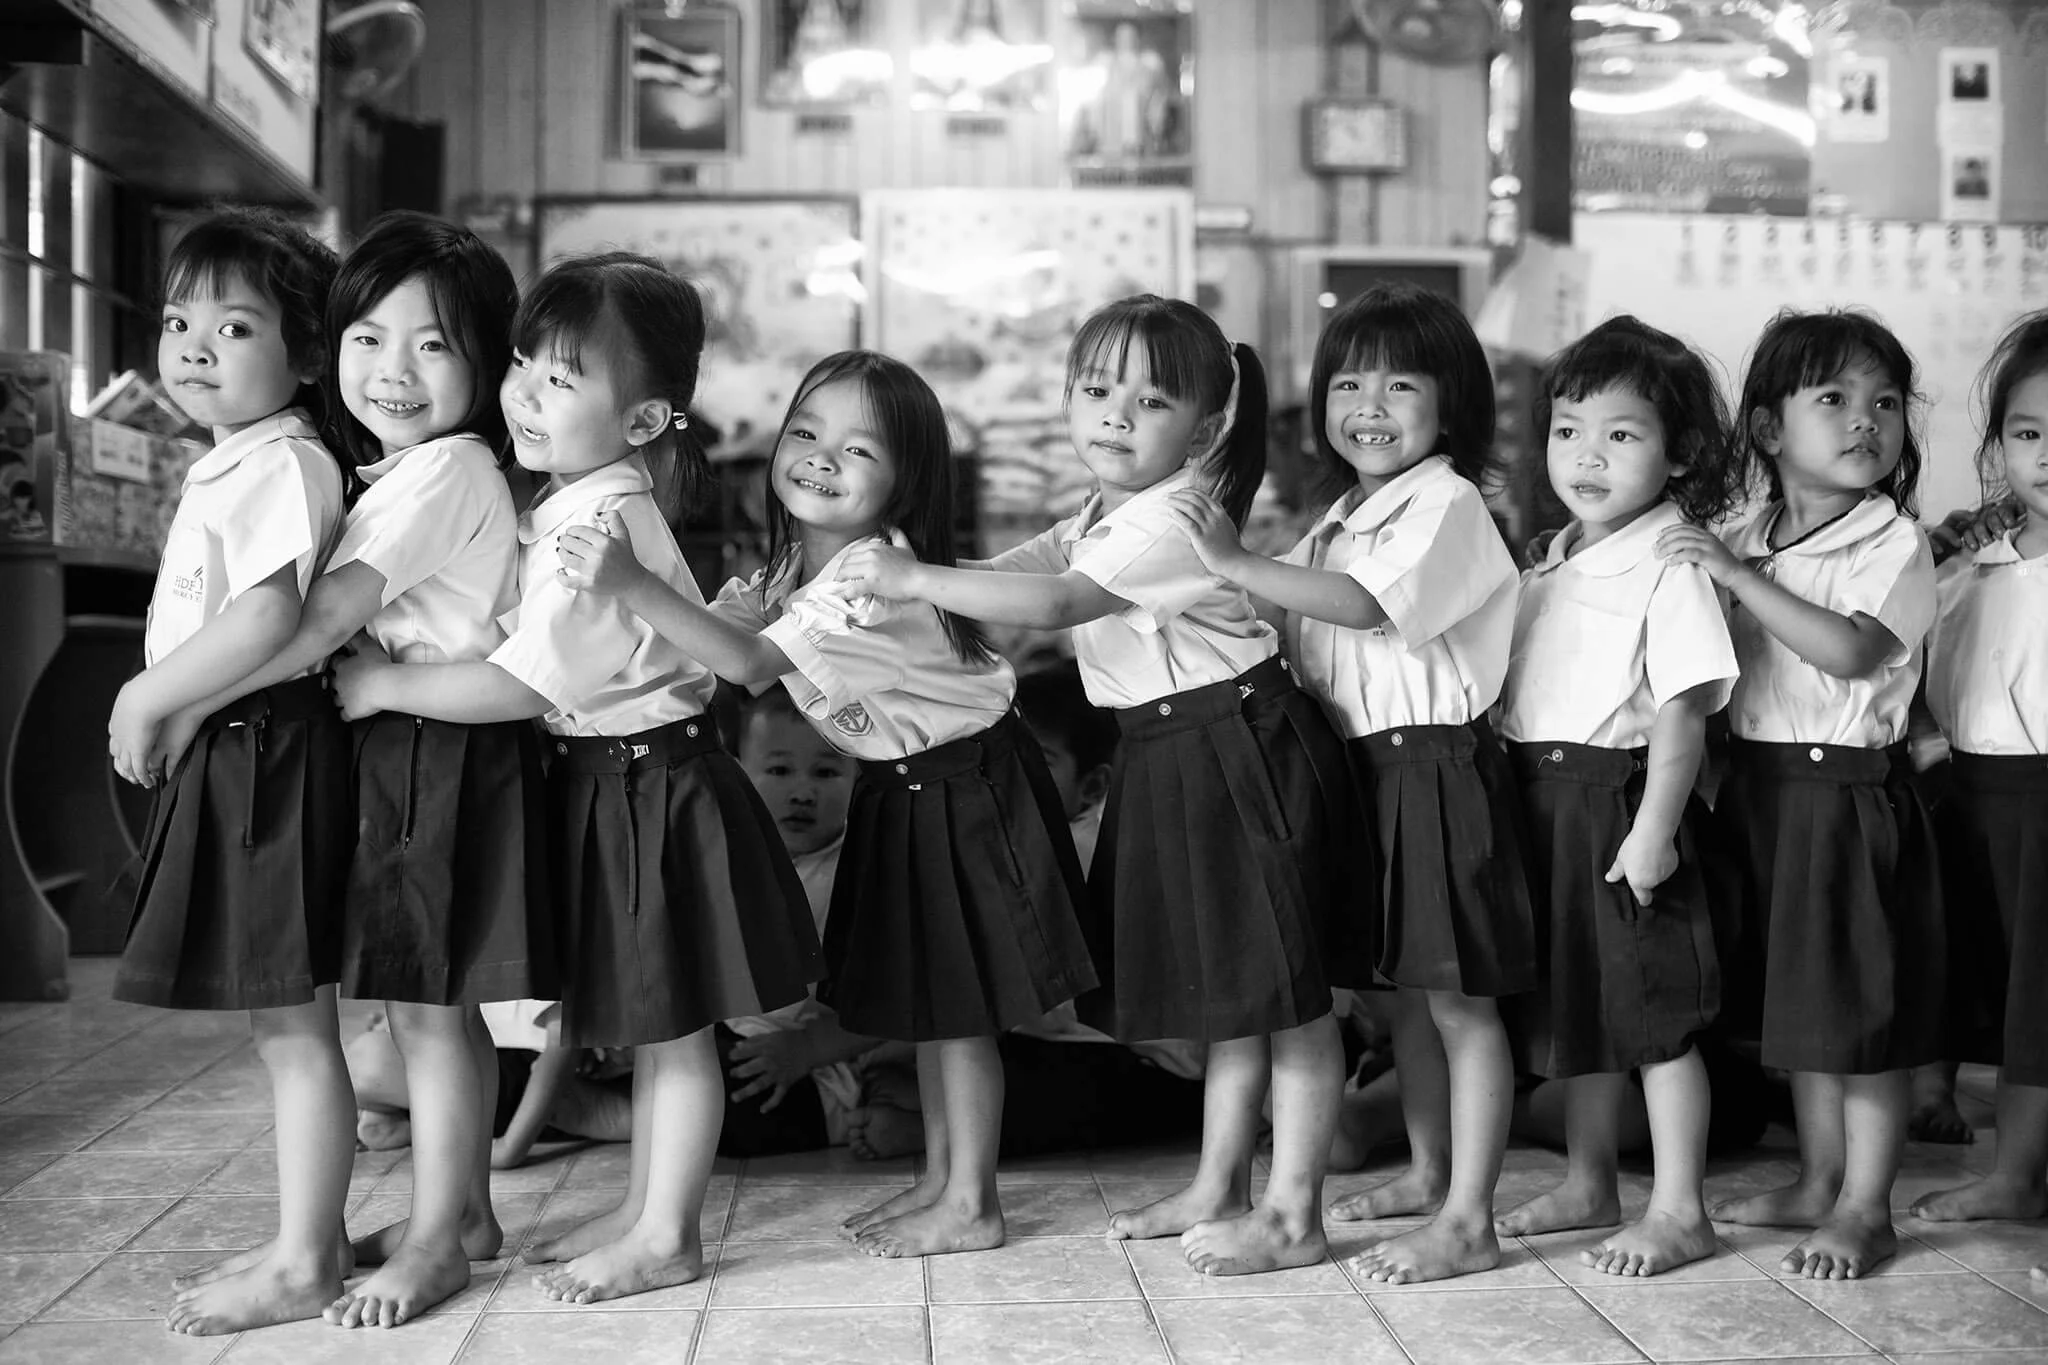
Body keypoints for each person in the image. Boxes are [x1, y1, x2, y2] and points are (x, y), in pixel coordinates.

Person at [328, 252, 822, 1302]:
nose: (523, 393)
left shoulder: (595, 527)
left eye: (562, 379)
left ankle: (667, 1235)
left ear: (642, 422)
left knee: (676, 1028)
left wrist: (380, 692)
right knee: (649, 1018)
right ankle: (647, 1208)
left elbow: (516, 685)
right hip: (619, 782)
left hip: (653, 788)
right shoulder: (572, 503)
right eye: (519, 364)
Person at [835, 297, 1357, 1277]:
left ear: (1200, 429)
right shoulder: (1103, 510)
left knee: (1289, 998)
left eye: (1148, 399)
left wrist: (916, 586)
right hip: (1176, 748)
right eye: (1095, 389)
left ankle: (1295, 1213)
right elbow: (1033, 566)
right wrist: (926, 584)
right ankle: (1216, 1185)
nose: (1114, 414)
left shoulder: (1171, 515)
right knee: (1239, 990)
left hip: (1236, 744)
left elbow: (1057, 600)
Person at [560, 349, 1096, 1260]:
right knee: (930, 1003)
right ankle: (941, 1182)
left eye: (857, 449)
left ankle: (971, 1201)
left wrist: (632, 584)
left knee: (960, 1011)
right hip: (901, 785)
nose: (820, 456)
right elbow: (728, 631)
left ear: (905, 481)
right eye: (806, 433)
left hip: (968, 785)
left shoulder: (862, 570)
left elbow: (750, 665)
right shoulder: (788, 567)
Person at [162, 211, 540, 1328]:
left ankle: (436, 1241)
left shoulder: (442, 473)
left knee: (428, 1011)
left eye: (432, 345)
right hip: (419, 749)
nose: (393, 369)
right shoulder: (409, 469)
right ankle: (461, 1214)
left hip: (442, 750)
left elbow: (315, 621)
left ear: (488, 362)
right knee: (432, 1008)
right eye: (370, 337)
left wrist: (173, 701)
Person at [1159, 283, 1532, 1287]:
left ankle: (1468, 1219)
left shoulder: (1448, 503)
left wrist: (1234, 560)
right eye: (1347, 381)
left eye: (1398, 382)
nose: (1368, 401)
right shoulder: (1336, 518)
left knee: (1458, 1004)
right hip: (1361, 769)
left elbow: (1366, 608)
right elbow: (1295, 622)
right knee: (1406, 998)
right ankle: (1428, 1171)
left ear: (1450, 407)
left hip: (1435, 768)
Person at [1656, 307, 1943, 1280]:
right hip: (1759, 797)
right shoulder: (1739, 533)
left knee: (1857, 1016)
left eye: (1885, 402)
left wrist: (1736, 577)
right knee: (1803, 1014)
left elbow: (1851, 652)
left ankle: (1866, 1207)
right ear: (1769, 429)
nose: (1865, 419)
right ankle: (1817, 1181)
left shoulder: (1891, 542)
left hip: (1845, 797)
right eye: (1834, 399)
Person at [102, 209, 347, 1337]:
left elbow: (265, 616)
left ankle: (305, 1260)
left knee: (294, 1026)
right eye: (178, 319)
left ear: (304, 354)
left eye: (233, 324)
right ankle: (314, 1233)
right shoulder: (237, 457)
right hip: (244, 745)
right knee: (280, 1025)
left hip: (270, 755)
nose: (194, 344)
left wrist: (148, 694)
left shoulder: (283, 458)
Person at [1494, 316, 1743, 1276]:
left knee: (1654, 1017)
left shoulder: (1671, 558)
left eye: (1622, 434)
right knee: (1583, 1009)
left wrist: (1653, 835)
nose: (1587, 455)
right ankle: (1590, 1180)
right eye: (1568, 430)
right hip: (1546, 795)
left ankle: (1682, 1208)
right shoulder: (1555, 556)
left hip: (1622, 802)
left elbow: (1682, 720)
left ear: (1679, 452)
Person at [1913, 311, 2048, 1226]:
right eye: (2030, 433)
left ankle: (2015, 1175)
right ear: (1999, 444)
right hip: (1976, 794)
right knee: (1995, 984)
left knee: (2040, 999)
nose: (2047, 454)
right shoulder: (1971, 568)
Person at [720, 686, 908, 1159]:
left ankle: (617, 1119)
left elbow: (892, 1005)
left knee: (737, 1107)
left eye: (826, 772)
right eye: (779, 770)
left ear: (858, 777)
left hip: (815, 1066)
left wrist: (804, 1050)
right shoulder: (727, 858)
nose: (802, 792)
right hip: (727, 1042)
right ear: (738, 773)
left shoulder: (861, 873)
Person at [347, 1001, 635, 1169]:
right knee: (366, 1061)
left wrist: (509, 1149)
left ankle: (433, 1126)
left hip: (526, 1062)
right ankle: (422, 1125)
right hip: (493, 1067)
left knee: (365, 1061)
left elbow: (561, 1034)